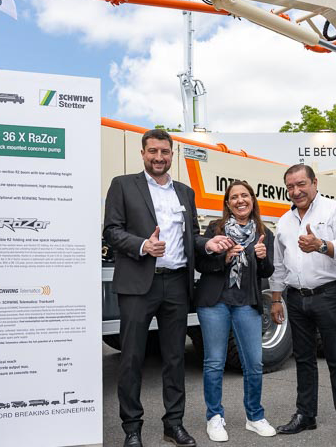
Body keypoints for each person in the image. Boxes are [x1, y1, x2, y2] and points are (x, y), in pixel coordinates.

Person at [103, 129, 233, 447]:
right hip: (138, 285)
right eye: (152, 151)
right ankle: (132, 428)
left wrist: (207, 243)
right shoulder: (123, 185)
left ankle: (173, 423)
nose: (159, 157)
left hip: (176, 283)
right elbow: (111, 231)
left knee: (174, 358)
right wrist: (143, 245)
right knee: (132, 357)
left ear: (172, 154)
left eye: (164, 151)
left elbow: (191, 238)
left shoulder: (185, 193)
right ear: (143, 153)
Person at [269, 164, 336, 445]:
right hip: (296, 298)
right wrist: (275, 298)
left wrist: (321, 245)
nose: (296, 191)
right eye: (290, 187)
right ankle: (305, 415)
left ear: (314, 183)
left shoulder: (335, 211)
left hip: (330, 295)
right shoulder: (284, 221)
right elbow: (278, 264)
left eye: (301, 184)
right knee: (304, 360)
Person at [194, 180, 277, 442]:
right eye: (234, 197)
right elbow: (201, 265)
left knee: (254, 363)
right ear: (227, 204)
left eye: (245, 196)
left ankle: (254, 416)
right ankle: (214, 417)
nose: (240, 200)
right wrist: (224, 258)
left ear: (252, 200)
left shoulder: (265, 233)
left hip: (246, 303)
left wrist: (262, 258)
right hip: (214, 302)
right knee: (214, 362)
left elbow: (267, 273)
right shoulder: (214, 229)